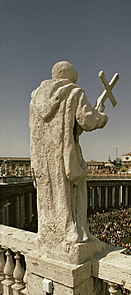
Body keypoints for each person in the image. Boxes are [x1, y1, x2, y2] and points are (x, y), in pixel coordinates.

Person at [29, 61, 108, 253]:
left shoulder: (35, 98)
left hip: (41, 158)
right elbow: (87, 121)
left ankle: (49, 234)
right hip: (65, 155)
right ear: (71, 77)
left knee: (49, 197)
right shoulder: (74, 92)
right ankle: (74, 234)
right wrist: (101, 115)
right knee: (71, 196)